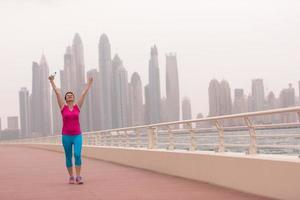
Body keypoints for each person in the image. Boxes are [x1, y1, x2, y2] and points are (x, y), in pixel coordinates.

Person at [49, 74, 93, 184]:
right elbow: (57, 93)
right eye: (67, 95)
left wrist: (89, 84)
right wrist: (52, 82)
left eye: (71, 95)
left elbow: (83, 94)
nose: (69, 96)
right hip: (66, 136)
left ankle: (78, 176)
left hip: (77, 135)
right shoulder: (63, 108)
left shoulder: (77, 107)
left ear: (73, 98)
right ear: (65, 98)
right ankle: (71, 177)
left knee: (77, 154)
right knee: (68, 156)